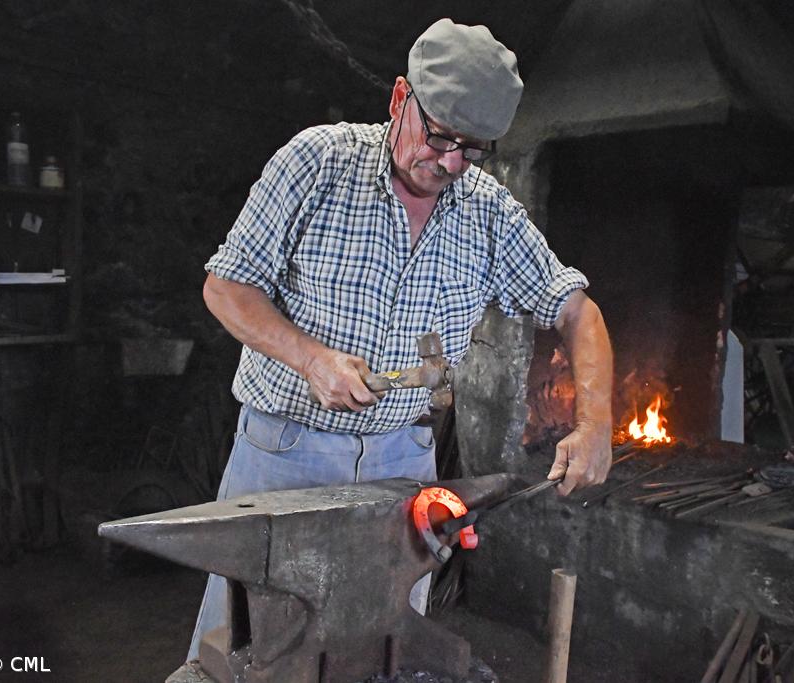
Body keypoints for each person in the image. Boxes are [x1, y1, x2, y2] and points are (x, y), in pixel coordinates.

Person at [173, 18, 613, 677]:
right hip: (285, 452)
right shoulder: (316, 164)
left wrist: (596, 420)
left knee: (381, 657)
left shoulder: (487, 210)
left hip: (402, 464)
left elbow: (577, 308)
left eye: (473, 149)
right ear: (399, 98)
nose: (450, 163)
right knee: (239, 656)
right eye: (438, 137)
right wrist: (310, 358)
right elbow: (225, 287)